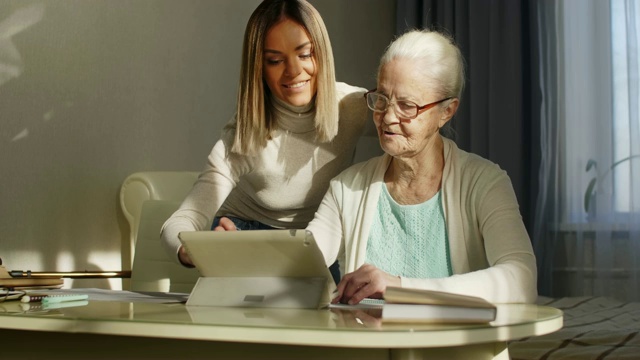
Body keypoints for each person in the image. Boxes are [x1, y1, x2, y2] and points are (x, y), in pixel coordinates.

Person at [307, 29, 537, 305]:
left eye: (406, 105)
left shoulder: (485, 182)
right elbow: (299, 268)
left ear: (447, 111)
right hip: (369, 348)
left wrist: (400, 287)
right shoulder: (347, 188)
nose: (388, 117)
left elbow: (521, 280)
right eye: (381, 98)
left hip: (456, 348)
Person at [161, 0, 369, 282]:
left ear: (322, 55)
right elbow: (179, 222)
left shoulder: (352, 107)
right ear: (259, 68)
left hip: (316, 240)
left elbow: (408, 121)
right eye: (275, 60)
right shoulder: (244, 135)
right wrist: (197, 250)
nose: (293, 71)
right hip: (245, 239)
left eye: (305, 54)